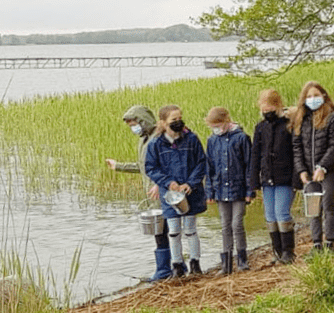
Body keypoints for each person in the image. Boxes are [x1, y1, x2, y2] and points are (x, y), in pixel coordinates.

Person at [105, 105, 171, 282]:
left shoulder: (158, 138)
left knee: (167, 230)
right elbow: (143, 167)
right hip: (152, 196)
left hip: (164, 193)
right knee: (160, 231)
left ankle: (168, 269)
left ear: (143, 121)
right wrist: (118, 166)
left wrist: (159, 183)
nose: (134, 128)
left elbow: (168, 165)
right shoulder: (143, 141)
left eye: (135, 124)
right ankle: (164, 269)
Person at [145, 105, 209, 277]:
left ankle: (195, 262)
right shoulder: (156, 144)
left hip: (190, 192)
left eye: (180, 118)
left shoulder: (192, 139)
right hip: (170, 194)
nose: (178, 122)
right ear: (164, 123)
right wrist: (168, 182)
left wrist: (191, 183)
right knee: (173, 231)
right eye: (174, 120)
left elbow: (201, 163)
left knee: (190, 229)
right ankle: (177, 265)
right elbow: (151, 168)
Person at [291, 81, 334, 254]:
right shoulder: (301, 119)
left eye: (316, 95)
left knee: (328, 203)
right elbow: (296, 147)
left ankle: (330, 242)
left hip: (328, 169)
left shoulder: (331, 117)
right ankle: (316, 244)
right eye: (309, 96)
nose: (313, 99)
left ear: (323, 96)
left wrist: (323, 167)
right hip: (308, 169)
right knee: (313, 207)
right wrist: (302, 170)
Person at [249, 89, 301, 265]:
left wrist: (296, 179)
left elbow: (296, 152)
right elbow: (255, 155)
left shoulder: (288, 124)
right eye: (264, 109)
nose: (267, 112)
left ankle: (288, 251)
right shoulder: (260, 127)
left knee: (282, 212)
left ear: (278, 105)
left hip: (285, 176)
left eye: (270, 108)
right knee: (270, 215)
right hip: (267, 177)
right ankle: (277, 251)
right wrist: (254, 181)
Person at [204, 107, 253, 275]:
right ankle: (226, 263)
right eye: (212, 126)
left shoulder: (241, 138)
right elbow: (209, 168)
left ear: (226, 120)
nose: (215, 128)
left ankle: (242, 259)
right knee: (225, 225)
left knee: (237, 224)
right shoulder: (212, 141)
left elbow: (249, 166)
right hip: (220, 189)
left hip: (238, 188)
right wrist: (209, 192)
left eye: (217, 124)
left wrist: (249, 190)